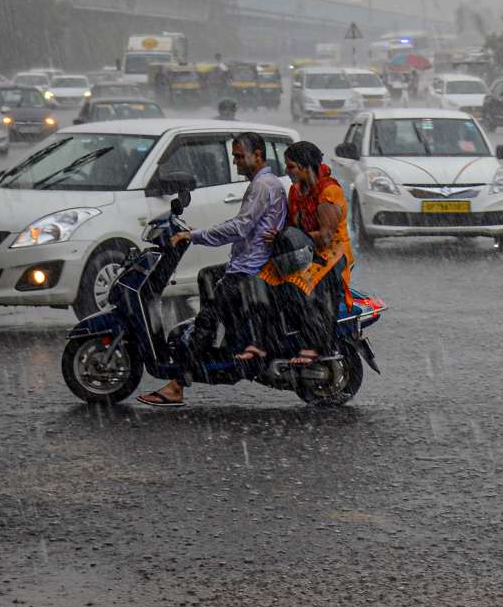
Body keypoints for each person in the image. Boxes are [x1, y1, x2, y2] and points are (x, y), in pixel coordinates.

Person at [137, 132, 287, 407]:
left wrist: (194, 236)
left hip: (249, 270)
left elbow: (240, 227)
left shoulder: (263, 186)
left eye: (240, 157)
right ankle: (219, 343)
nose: (237, 162)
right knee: (207, 276)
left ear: (258, 156)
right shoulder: (264, 183)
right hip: (247, 263)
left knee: (206, 317)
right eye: (235, 157)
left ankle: (177, 384)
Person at [238, 141, 353, 365]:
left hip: (331, 254)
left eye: (290, 167)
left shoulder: (329, 190)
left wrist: (286, 237)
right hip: (302, 250)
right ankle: (263, 343)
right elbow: (291, 225)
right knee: (261, 281)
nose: (287, 171)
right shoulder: (295, 190)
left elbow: (326, 236)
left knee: (298, 285)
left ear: (305, 167)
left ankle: (314, 345)